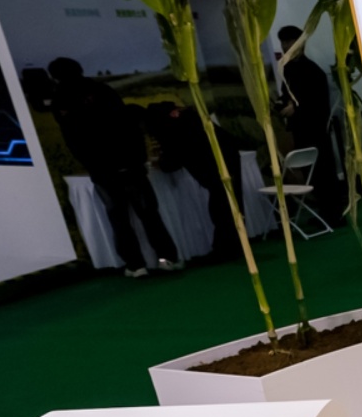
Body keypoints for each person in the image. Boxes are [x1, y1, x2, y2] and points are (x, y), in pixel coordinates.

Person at [46, 57, 180, 277]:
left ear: (55, 76)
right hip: (128, 162)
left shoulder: (60, 101)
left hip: (101, 169)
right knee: (148, 214)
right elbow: (126, 123)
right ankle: (167, 259)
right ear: (79, 68)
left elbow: (73, 140)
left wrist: (91, 164)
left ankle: (136, 265)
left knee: (119, 219)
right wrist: (137, 158)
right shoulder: (102, 90)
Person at [146, 101, 244, 261]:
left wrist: (161, 163)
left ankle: (227, 249)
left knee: (222, 209)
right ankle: (231, 246)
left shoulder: (173, 127)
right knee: (227, 206)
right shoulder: (190, 118)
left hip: (218, 165)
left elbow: (173, 160)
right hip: (226, 158)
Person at [276, 25, 346, 226]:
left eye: (289, 41)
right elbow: (287, 95)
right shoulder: (287, 69)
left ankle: (334, 215)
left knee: (324, 173)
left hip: (316, 131)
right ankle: (325, 213)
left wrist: (296, 109)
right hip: (300, 130)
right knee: (311, 174)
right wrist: (283, 105)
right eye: (283, 42)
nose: (285, 46)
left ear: (300, 43)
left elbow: (318, 105)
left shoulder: (312, 71)